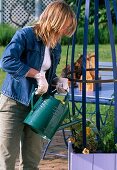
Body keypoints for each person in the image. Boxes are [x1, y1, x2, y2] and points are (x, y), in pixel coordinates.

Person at [0, 0, 77, 169]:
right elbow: (6, 61)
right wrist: (36, 75)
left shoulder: (55, 46)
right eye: (66, 26)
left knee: (32, 160)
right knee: (7, 159)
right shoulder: (25, 35)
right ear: (56, 20)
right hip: (14, 102)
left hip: (38, 107)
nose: (65, 31)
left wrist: (58, 81)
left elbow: (48, 75)